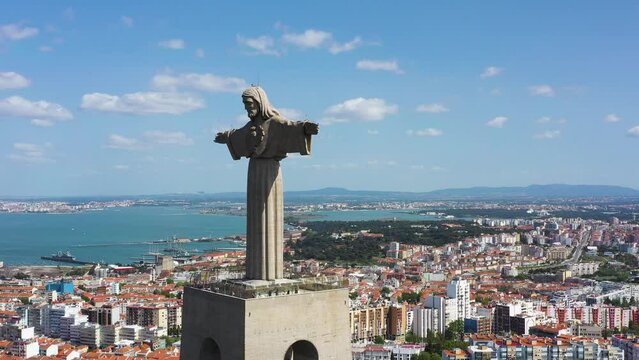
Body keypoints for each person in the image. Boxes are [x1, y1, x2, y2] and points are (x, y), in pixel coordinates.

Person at [214, 86, 318, 280]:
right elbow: (237, 135)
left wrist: (306, 129)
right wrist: (226, 138)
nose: (247, 108)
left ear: (260, 102)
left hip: (270, 171)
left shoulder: (275, 123)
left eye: (250, 104)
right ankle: (258, 276)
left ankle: (270, 277)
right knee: (256, 216)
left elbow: (292, 126)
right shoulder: (251, 126)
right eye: (245, 105)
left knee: (269, 217)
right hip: (254, 172)